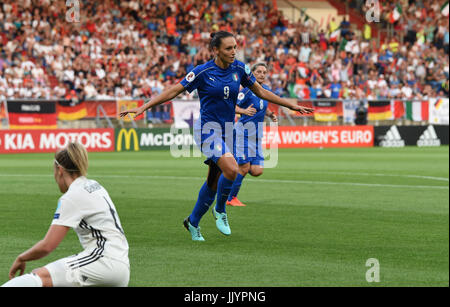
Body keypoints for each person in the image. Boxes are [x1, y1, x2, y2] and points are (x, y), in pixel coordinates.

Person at [119, 31, 314, 241]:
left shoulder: (240, 69)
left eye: (235, 47)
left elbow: (261, 91)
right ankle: (220, 210)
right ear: (216, 50)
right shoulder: (203, 72)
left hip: (228, 130)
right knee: (231, 169)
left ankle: (192, 222)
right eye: (228, 48)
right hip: (207, 129)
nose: (233, 52)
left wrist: (291, 105)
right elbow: (174, 90)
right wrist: (144, 107)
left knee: (213, 181)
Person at [2, 142, 129, 287]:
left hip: (103, 262)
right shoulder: (94, 185)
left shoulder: (72, 196)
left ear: (60, 170)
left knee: (39, 277)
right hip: (120, 263)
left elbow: (47, 246)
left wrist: (21, 258)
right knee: (50, 278)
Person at [226, 62, 278, 207]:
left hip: (256, 136)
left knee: (256, 170)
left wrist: (270, 114)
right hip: (243, 133)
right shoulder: (247, 91)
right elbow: (231, 106)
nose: (262, 74)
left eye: (264, 72)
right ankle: (230, 198)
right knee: (244, 167)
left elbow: (262, 107)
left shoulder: (265, 90)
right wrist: (243, 111)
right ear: (252, 74)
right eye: (259, 71)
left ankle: (233, 170)